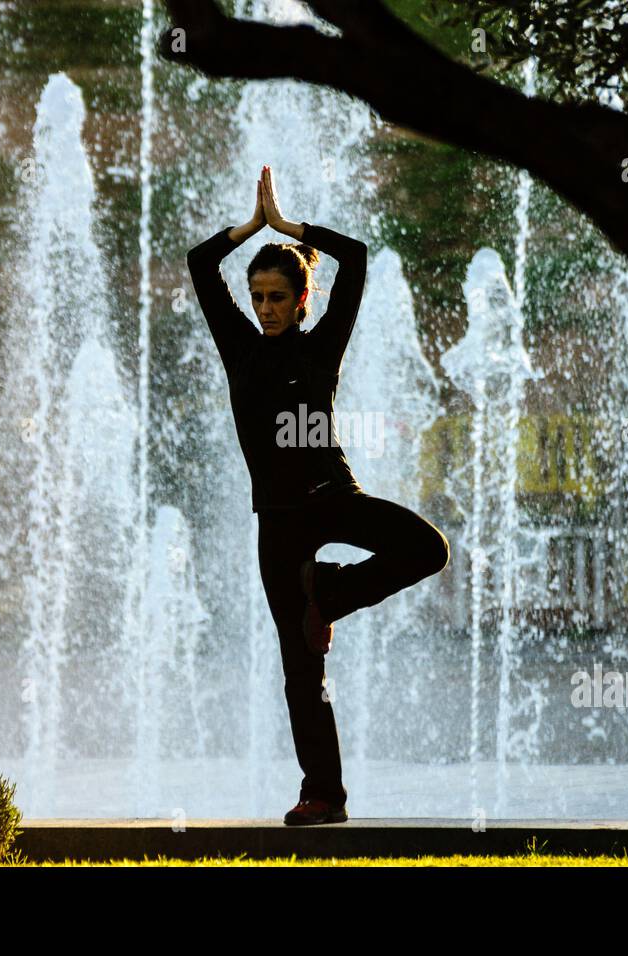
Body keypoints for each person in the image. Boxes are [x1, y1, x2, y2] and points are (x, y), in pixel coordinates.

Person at [187, 165, 450, 826]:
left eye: (278, 297)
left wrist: (290, 228)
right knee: (301, 670)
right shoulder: (239, 349)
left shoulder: (323, 345)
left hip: (333, 496)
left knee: (428, 548)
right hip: (277, 525)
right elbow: (199, 264)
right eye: (259, 297)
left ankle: (331, 591)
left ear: (303, 299)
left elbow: (357, 258)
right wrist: (249, 229)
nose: (267, 307)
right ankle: (324, 796)